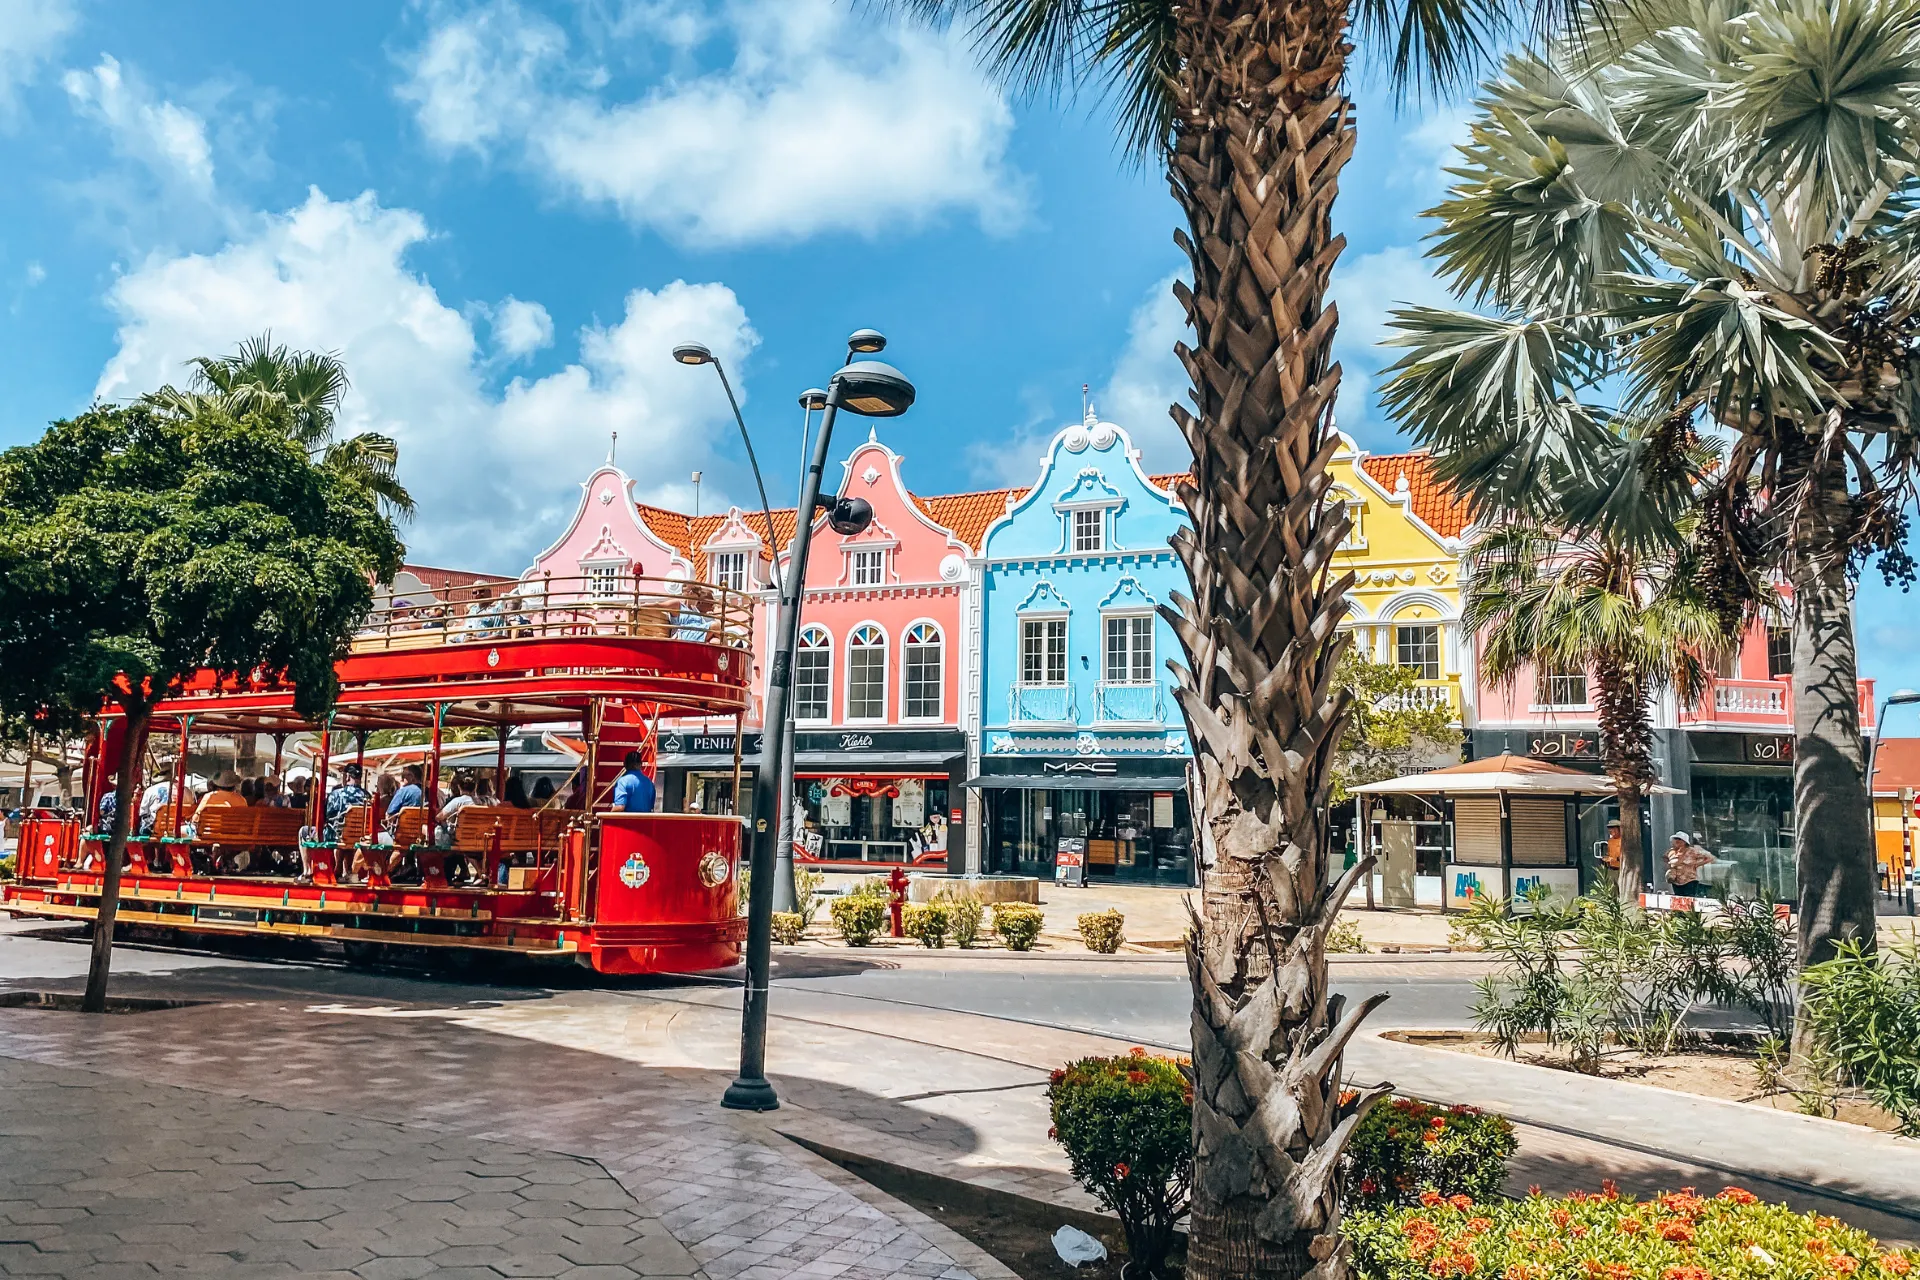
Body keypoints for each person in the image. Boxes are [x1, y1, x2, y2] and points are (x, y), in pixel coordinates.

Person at [1665, 832, 1716, 899]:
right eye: (1675, 838)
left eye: (1679, 839)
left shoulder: (1692, 851)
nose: (1677, 840)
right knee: (1678, 900)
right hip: (1676, 881)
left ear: (1684, 842)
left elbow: (1710, 857)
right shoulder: (1671, 851)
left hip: (1689, 880)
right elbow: (1665, 858)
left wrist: (1697, 864)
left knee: (1689, 900)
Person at [386, 765, 424, 831]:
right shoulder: (429, 792)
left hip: (402, 835)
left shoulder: (403, 791)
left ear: (411, 777)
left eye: (403, 776)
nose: (402, 779)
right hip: (422, 834)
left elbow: (389, 815)